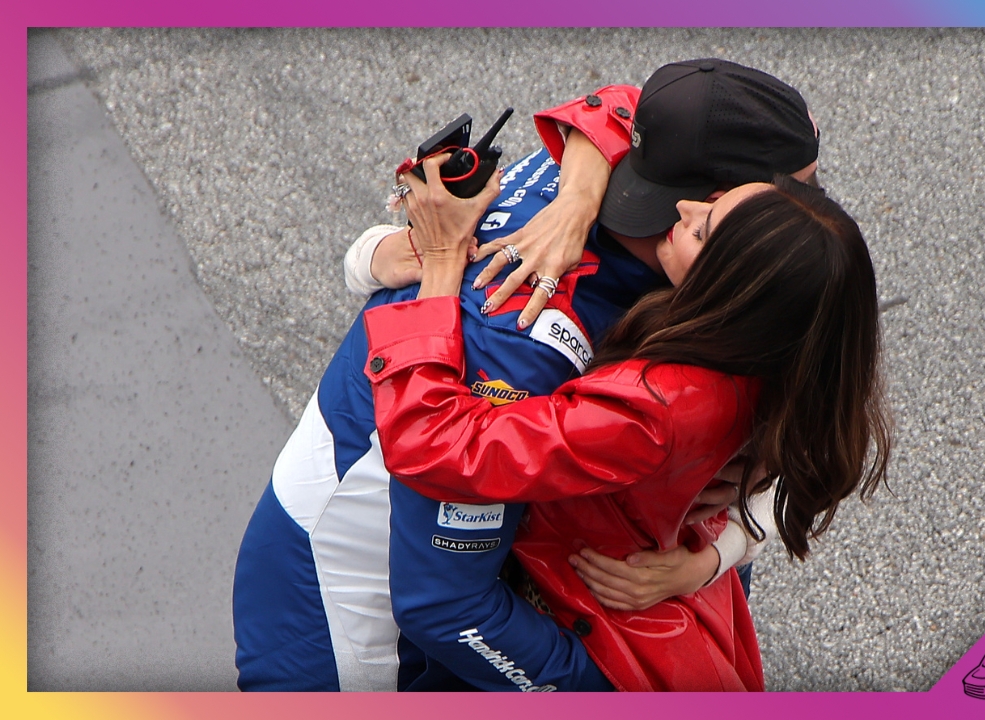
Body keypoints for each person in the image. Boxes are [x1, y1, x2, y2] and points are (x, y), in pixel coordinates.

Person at [233, 59, 819, 691]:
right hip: (344, 614)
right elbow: (446, 604)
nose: (816, 211)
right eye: (801, 192)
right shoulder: (523, 332)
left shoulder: (638, 166)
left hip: (491, 566)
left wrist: (576, 196)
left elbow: (612, 106)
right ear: (710, 205)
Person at [365, 165, 891, 691]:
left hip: (605, 659)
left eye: (703, 228)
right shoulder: (784, 350)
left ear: (730, 293)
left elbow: (435, 444)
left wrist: (439, 264)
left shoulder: (652, 413)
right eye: (712, 199)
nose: (684, 208)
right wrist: (576, 199)